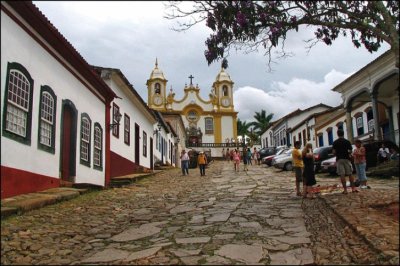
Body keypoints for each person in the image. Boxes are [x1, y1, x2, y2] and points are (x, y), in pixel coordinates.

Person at [332, 129, 357, 194]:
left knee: (342, 174)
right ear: (343, 134)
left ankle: (345, 190)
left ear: (337, 134)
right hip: (347, 159)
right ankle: (353, 189)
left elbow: (334, 152)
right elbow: (350, 151)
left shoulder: (335, 142)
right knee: (350, 173)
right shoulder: (347, 142)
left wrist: (337, 153)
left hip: (339, 159)